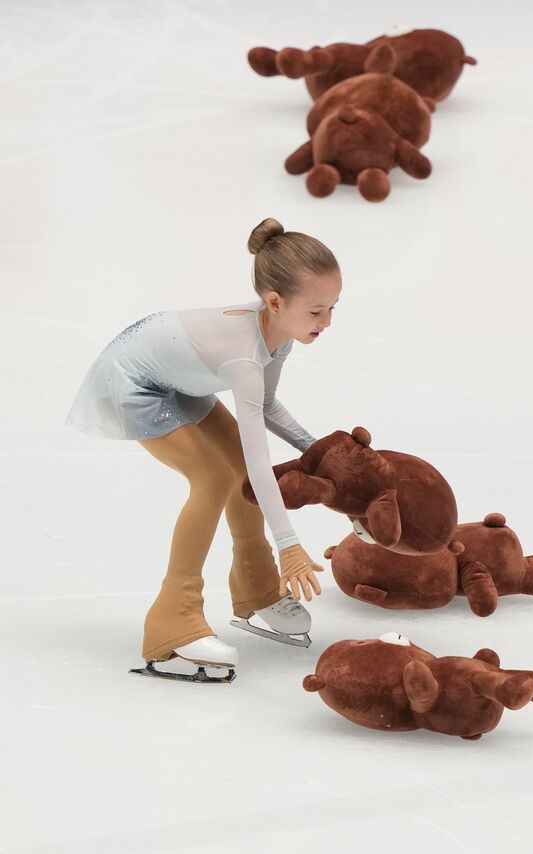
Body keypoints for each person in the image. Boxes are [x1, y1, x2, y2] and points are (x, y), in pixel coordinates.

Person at [66, 217, 339, 682]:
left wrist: (319, 452)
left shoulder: (280, 335)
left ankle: (256, 589)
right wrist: (290, 544)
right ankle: (171, 625)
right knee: (214, 478)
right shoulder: (244, 358)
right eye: (316, 311)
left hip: (177, 380)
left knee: (237, 471)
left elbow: (267, 406)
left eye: (333, 308)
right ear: (275, 302)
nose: (327, 322)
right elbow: (259, 456)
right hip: (132, 381)